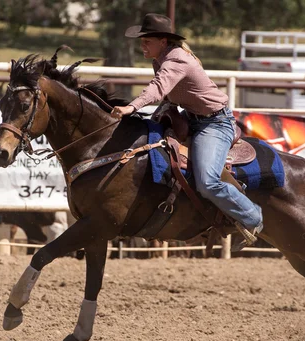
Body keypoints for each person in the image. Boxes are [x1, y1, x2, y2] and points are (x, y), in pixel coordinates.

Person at [110, 13, 263, 249]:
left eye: (147, 40)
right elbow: (168, 93)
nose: (142, 44)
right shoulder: (160, 59)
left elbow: (158, 88)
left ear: (163, 41)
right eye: (142, 40)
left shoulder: (177, 59)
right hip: (192, 118)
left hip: (215, 123)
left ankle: (253, 217)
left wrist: (132, 107)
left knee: (208, 182)